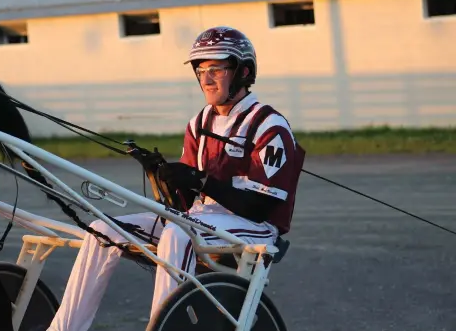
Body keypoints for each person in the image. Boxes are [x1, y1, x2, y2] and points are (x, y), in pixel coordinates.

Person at [47, 26, 305, 331]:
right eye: (201, 70)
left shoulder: (269, 125)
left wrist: (200, 180)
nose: (206, 79)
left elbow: (260, 207)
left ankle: (165, 326)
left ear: (243, 72)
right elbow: (183, 205)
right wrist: (160, 176)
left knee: (178, 233)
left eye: (216, 69)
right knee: (102, 230)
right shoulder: (198, 124)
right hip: (202, 220)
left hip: (255, 227)